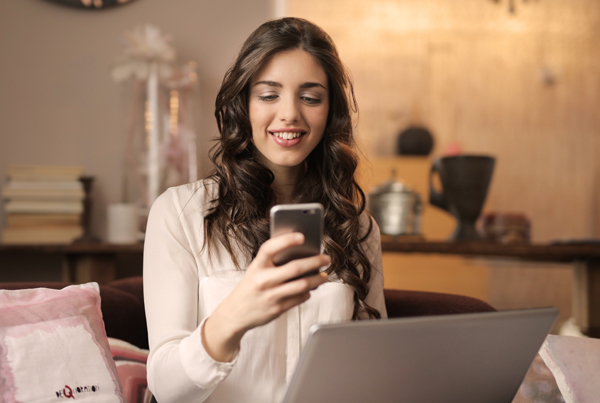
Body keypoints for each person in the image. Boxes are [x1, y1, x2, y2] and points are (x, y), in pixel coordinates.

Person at [143, 17, 387, 403]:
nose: (290, 114)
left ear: (330, 111)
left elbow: (373, 367)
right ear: (243, 103)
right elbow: (166, 387)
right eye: (269, 95)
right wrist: (234, 315)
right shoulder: (180, 213)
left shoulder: (355, 226)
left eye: (310, 97)